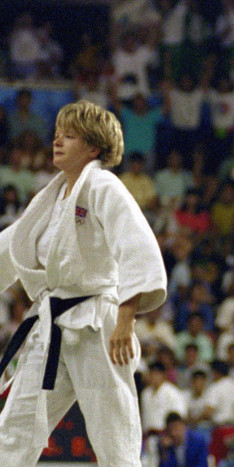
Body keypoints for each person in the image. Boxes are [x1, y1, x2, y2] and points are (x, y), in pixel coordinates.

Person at [0, 100, 167, 466]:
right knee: (12, 432)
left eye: (70, 135)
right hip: (52, 325)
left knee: (114, 442)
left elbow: (136, 247)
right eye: (57, 133)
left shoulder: (104, 186)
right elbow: (11, 244)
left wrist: (126, 320)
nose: (57, 141)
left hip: (99, 326)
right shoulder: (51, 197)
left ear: (93, 147)